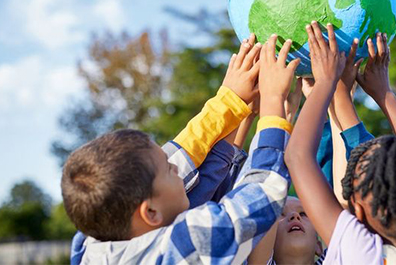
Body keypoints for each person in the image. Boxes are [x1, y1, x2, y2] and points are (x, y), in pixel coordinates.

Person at [62, 35, 299, 264]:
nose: (177, 166)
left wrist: (229, 102)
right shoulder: (184, 249)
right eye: (168, 169)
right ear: (151, 212)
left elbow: (185, 174)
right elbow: (260, 197)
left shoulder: (92, 242)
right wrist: (273, 102)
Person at [285, 21, 396, 264]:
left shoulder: (362, 253)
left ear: (357, 212)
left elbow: (298, 157)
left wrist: (331, 84)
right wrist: (378, 93)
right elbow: (298, 157)